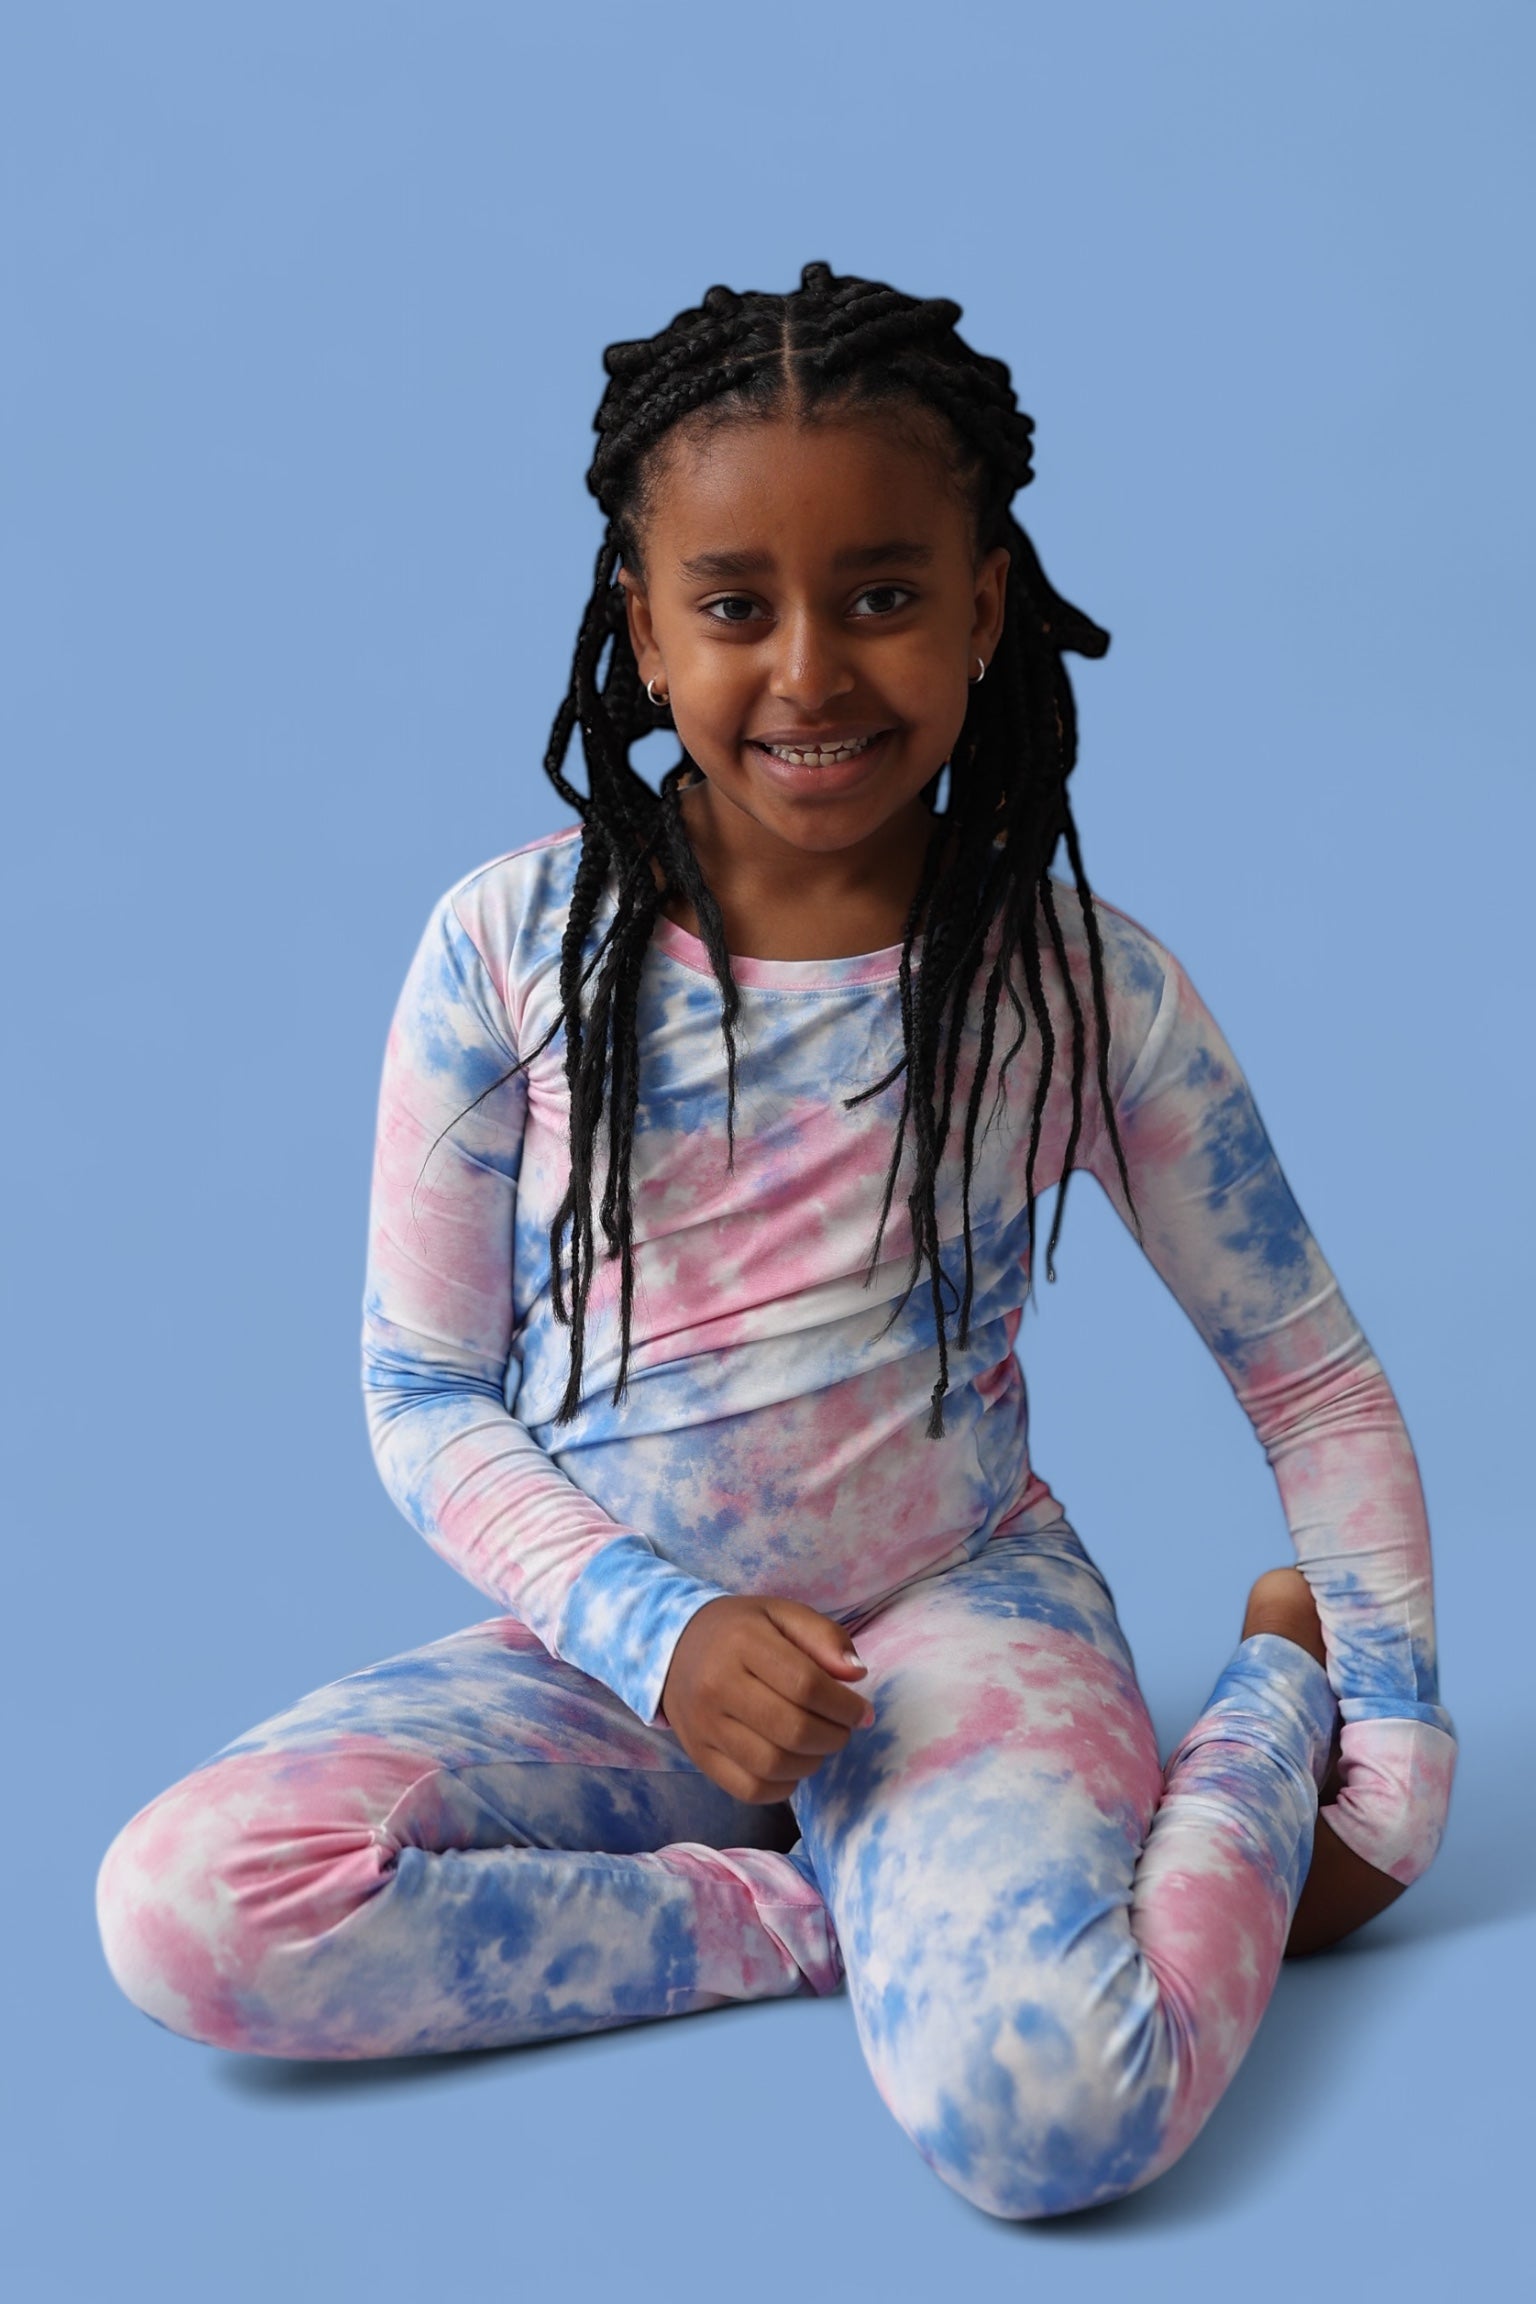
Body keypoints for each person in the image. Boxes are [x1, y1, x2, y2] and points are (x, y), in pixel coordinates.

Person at [95, 261, 1456, 2220]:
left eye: (882, 595)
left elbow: (1308, 1377)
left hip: (956, 1625)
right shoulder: (509, 953)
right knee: (188, 1906)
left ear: (984, 606)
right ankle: (826, 1911)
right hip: (622, 1662)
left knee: (1054, 2123)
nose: (810, 671)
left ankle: (1262, 1688)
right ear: (645, 630)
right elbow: (422, 1390)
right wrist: (661, 1639)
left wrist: (1383, 1769)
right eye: (737, 607)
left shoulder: (1076, 986)